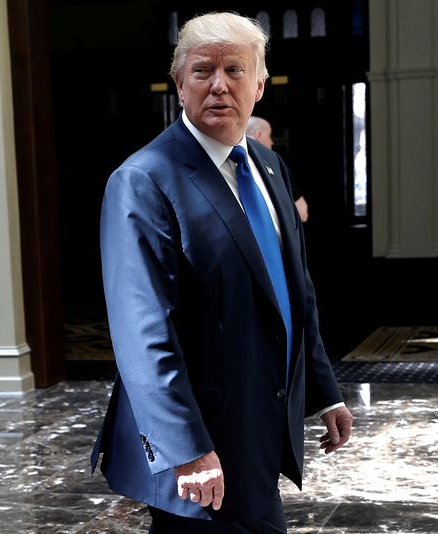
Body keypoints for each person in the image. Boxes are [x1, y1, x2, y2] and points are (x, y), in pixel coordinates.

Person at [90, 12, 352, 532]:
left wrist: (323, 390)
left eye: (235, 70)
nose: (218, 85)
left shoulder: (268, 166)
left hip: (262, 420)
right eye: (201, 70)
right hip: (201, 442)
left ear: (259, 85)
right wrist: (186, 448)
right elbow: (142, 332)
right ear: (180, 84)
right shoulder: (143, 180)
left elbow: (294, 289)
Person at [246, 116, 309, 223]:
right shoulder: (275, 165)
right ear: (258, 134)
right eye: (270, 135)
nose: (272, 142)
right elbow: (302, 213)